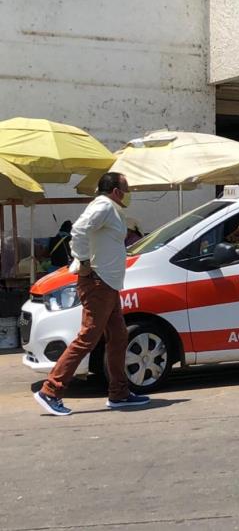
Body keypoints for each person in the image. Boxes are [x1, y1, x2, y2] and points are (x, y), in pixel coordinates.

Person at [33, 172, 150, 416]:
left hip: (107, 284)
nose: (129, 194)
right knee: (87, 338)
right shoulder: (104, 206)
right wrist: (83, 260)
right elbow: (78, 230)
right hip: (98, 283)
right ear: (116, 191)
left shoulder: (109, 208)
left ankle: (119, 393)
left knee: (118, 336)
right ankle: (51, 390)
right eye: (126, 188)